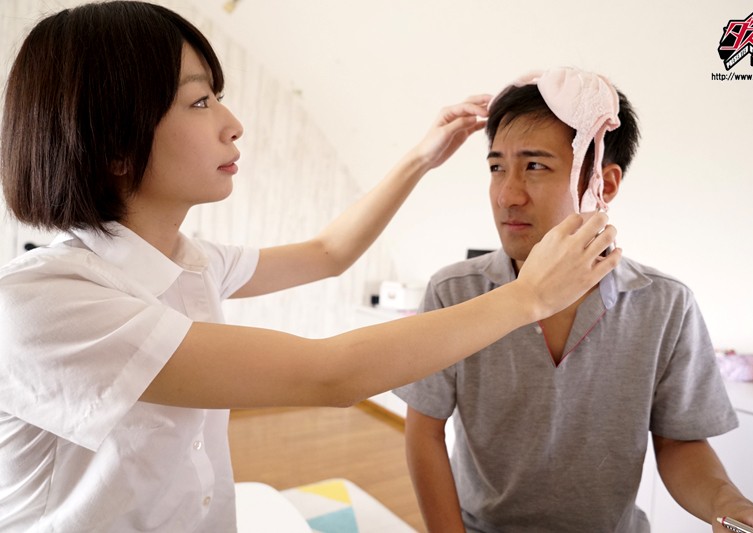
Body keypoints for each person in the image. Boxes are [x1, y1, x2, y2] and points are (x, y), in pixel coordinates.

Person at [0, 3, 621, 531]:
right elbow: (330, 376)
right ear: (114, 142)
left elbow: (329, 253)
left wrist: (421, 158)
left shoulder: (191, 262)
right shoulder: (43, 305)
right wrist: (527, 297)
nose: (233, 125)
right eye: (200, 101)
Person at [394, 67, 753, 533]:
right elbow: (424, 431)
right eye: (496, 167)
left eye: (535, 166)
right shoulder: (454, 292)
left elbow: (679, 443)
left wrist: (731, 506)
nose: (506, 195)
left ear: (604, 185)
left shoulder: (665, 305)